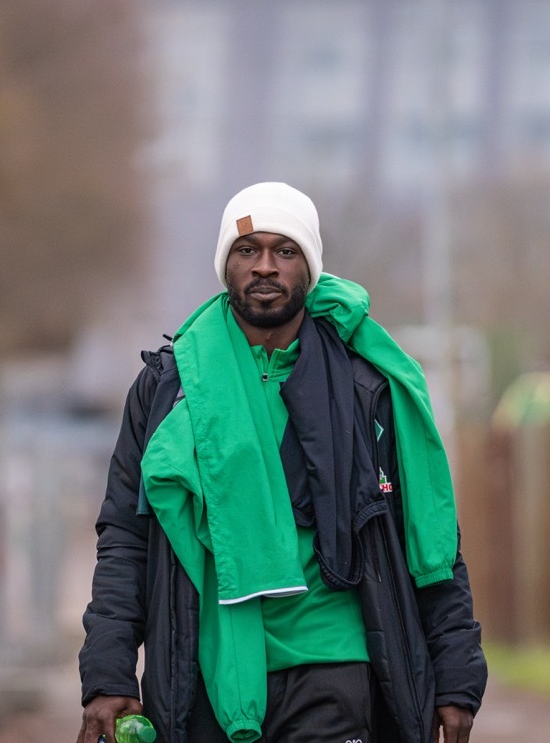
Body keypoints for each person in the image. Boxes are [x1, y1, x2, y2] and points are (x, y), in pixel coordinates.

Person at [76, 182, 486, 743]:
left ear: (309, 267)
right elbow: (126, 537)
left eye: (285, 251)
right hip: (205, 673)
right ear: (226, 265)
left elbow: (428, 537)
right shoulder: (168, 391)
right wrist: (108, 670)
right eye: (247, 250)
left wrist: (456, 672)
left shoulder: (367, 389)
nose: (265, 266)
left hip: (335, 668)